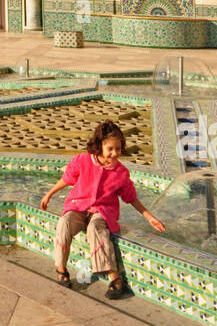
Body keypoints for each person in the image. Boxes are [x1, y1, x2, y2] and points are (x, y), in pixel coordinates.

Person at [40, 119, 166, 299]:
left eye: (118, 148)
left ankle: (114, 278)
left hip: (102, 211)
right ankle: (61, 269)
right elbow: (67, 179)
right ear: (99, 146)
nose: (115, 153)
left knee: (95, 228)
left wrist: (149, 217)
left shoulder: (121, 173)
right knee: (65, 222)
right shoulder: (82, 160)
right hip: (78, 206)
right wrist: (49, 193)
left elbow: (131, 198)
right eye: (110, 149)